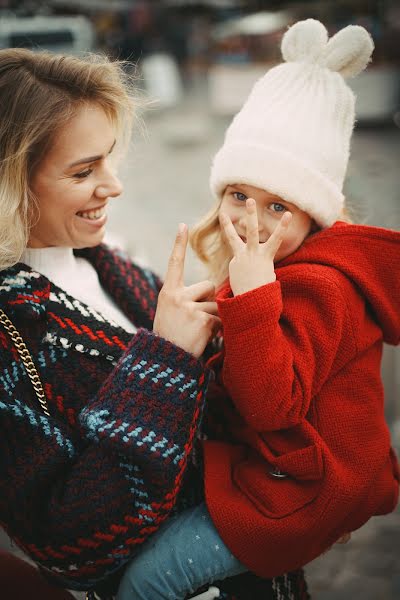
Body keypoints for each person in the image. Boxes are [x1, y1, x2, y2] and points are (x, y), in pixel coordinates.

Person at [0, 48, 310, 600]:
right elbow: (67, 540)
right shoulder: (11, 334)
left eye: (109, 159)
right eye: (83, 171)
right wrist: (165, 360)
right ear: (10, 180)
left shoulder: (121, 272)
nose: (113, 186)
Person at [116, 19, 400, 600]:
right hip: (289, 466)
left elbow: (272, 405)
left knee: (147, 581)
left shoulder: (319, 286)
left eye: (278, 206)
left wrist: (249, 299)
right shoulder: (278, 266)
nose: (252, 220)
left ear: (314, 215)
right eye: (239, 195)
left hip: (303, 491)